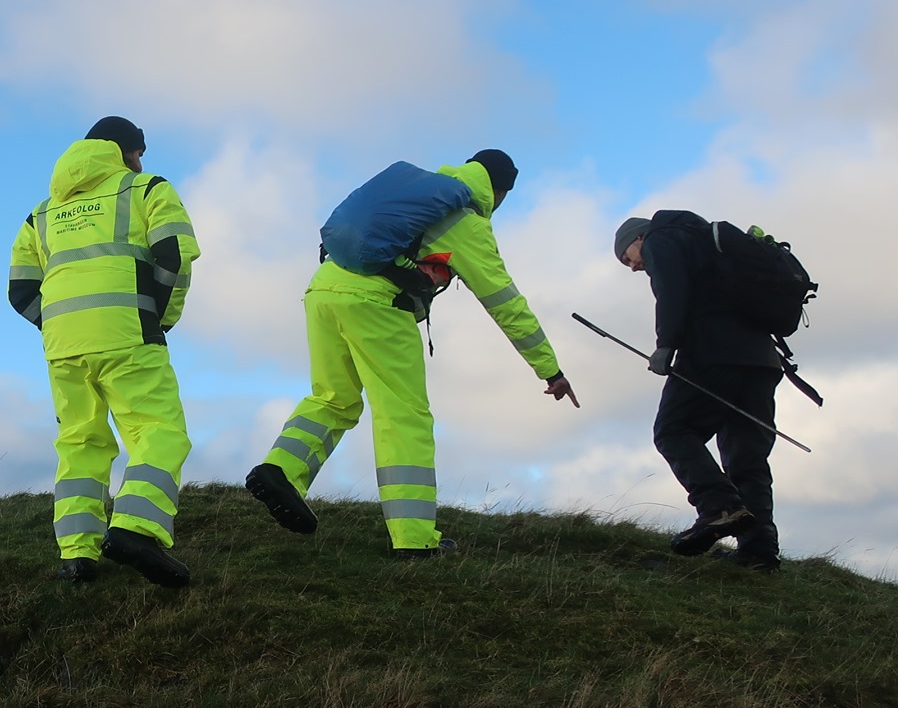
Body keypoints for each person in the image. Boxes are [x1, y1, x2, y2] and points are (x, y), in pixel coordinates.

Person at [245, 151, 578, 556]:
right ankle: (415, 540)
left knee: (333, 398)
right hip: (378, 304)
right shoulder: (465, 219)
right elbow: (506, 303)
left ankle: (280, 469)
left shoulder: (420, 192)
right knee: (404, 415)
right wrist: (550, 369)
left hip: (323, 288)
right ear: (500, 190)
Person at [8, 118, 199, 587]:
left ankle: (77, 557)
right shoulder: (146, 188)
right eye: (138, 152)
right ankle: (135, 528)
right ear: (123, 151)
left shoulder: (41, 213)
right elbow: (175, 253)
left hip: (63, 348)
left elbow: (19, 290)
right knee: (160, 431)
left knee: (79, 444)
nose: (140, 161)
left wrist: (57, 324)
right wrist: (158, 316)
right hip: (128, 332)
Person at [614, 212, 785, 571]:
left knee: (673, 430)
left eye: (627, 257)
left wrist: (666, 345)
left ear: (639, 238)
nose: (631, 268)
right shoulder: (707, 242)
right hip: (762, 361)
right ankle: (759, 551)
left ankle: (718, 506)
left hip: (712, 353)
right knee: (747, 458)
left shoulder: (662, 238)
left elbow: (672, 290)